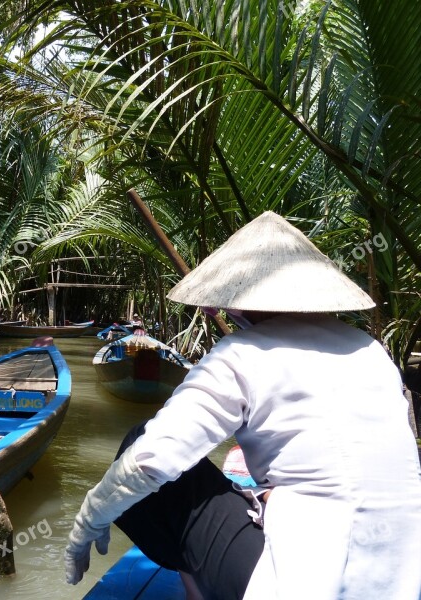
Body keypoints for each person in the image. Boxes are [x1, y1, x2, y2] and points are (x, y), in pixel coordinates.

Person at [64, 212, 421, 600]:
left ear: (238, 305)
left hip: (310, 587)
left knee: (142, 445)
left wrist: (88, 520)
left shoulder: (241, 353)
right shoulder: (371, 350)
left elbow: (149, 461)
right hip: (399, 579)